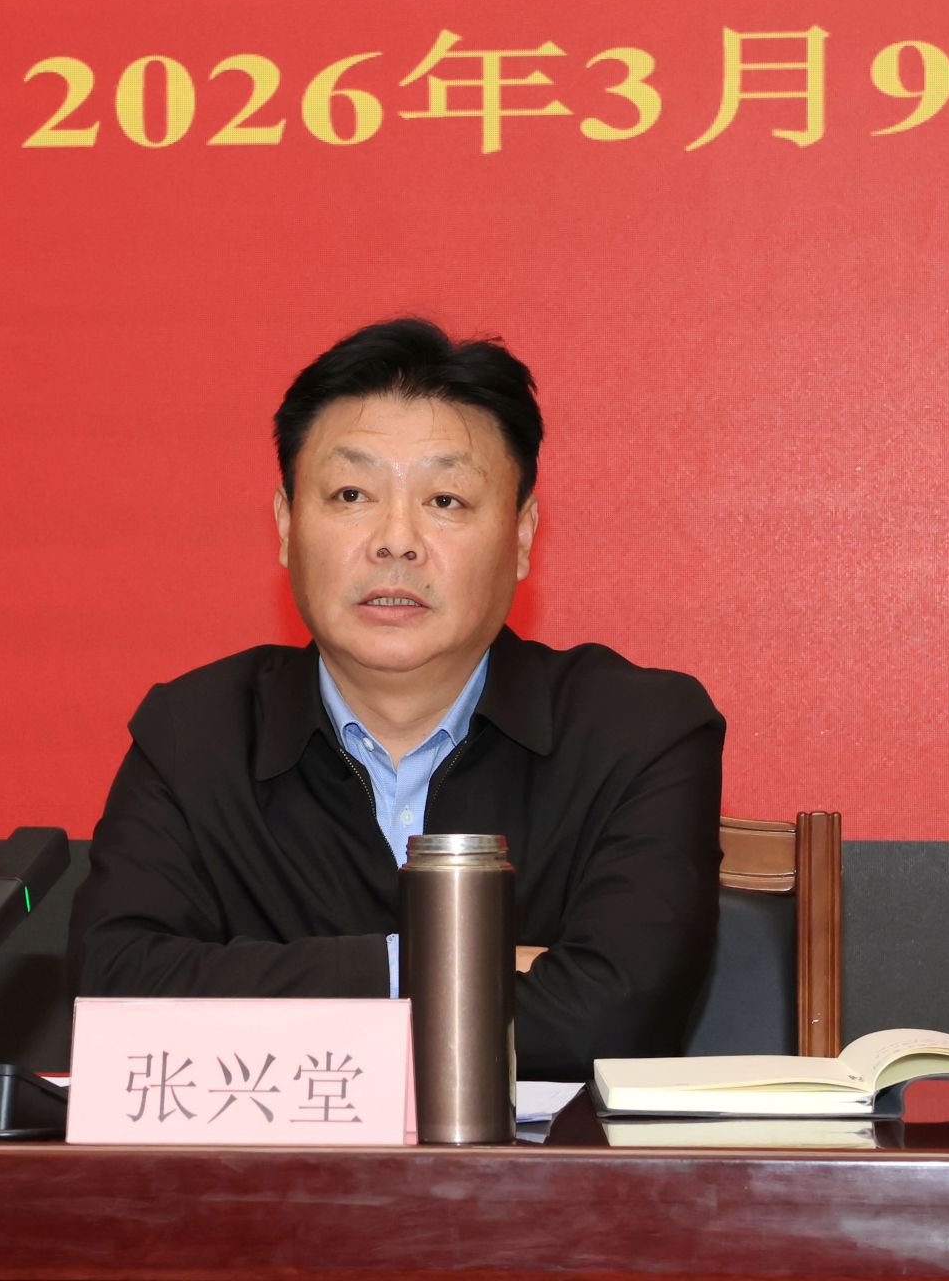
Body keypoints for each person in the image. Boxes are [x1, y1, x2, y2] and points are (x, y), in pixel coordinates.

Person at [67, 318, 724, 1080]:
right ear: (286, 524)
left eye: (446, 499)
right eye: (352, 494)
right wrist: (424, 965)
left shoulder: (638, 732)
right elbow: (113, 998)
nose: (395, 540)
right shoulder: (195, 734)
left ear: (521, 537)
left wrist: (260, 991)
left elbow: (612, 1021)